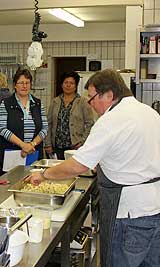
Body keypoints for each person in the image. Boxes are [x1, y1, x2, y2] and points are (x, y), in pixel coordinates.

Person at [28, 69, 160, 267]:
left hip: (129, 215)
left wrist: (44, 174)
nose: (91, 104)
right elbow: (136, 154)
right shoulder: (149, 113)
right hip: (155, 209)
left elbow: (77, 165)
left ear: (109, 94)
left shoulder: (110, 121)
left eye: (92, 97)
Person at [0, 68, 48, 177]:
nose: (24, 86)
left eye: (27, 83)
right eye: (21, 83)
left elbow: (44, 129)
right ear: (15, 85)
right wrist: (23, 145)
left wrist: (31, 144)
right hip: (12, 154)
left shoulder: (38, 104)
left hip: (33, 152)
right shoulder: (6, 103)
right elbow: (2, 129)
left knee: (33, 183)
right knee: (11, 182)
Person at [44, 71, 95, 159]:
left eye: (71, 83)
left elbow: (90, 124)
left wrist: (82, 142)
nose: (68, 85)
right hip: (56, 148)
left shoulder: (83, 102)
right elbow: (48, 123)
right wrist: (48, 144)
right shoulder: (55, 101)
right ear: (62, 84)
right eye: (66, 82)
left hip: (75, 147)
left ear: (76, 86)